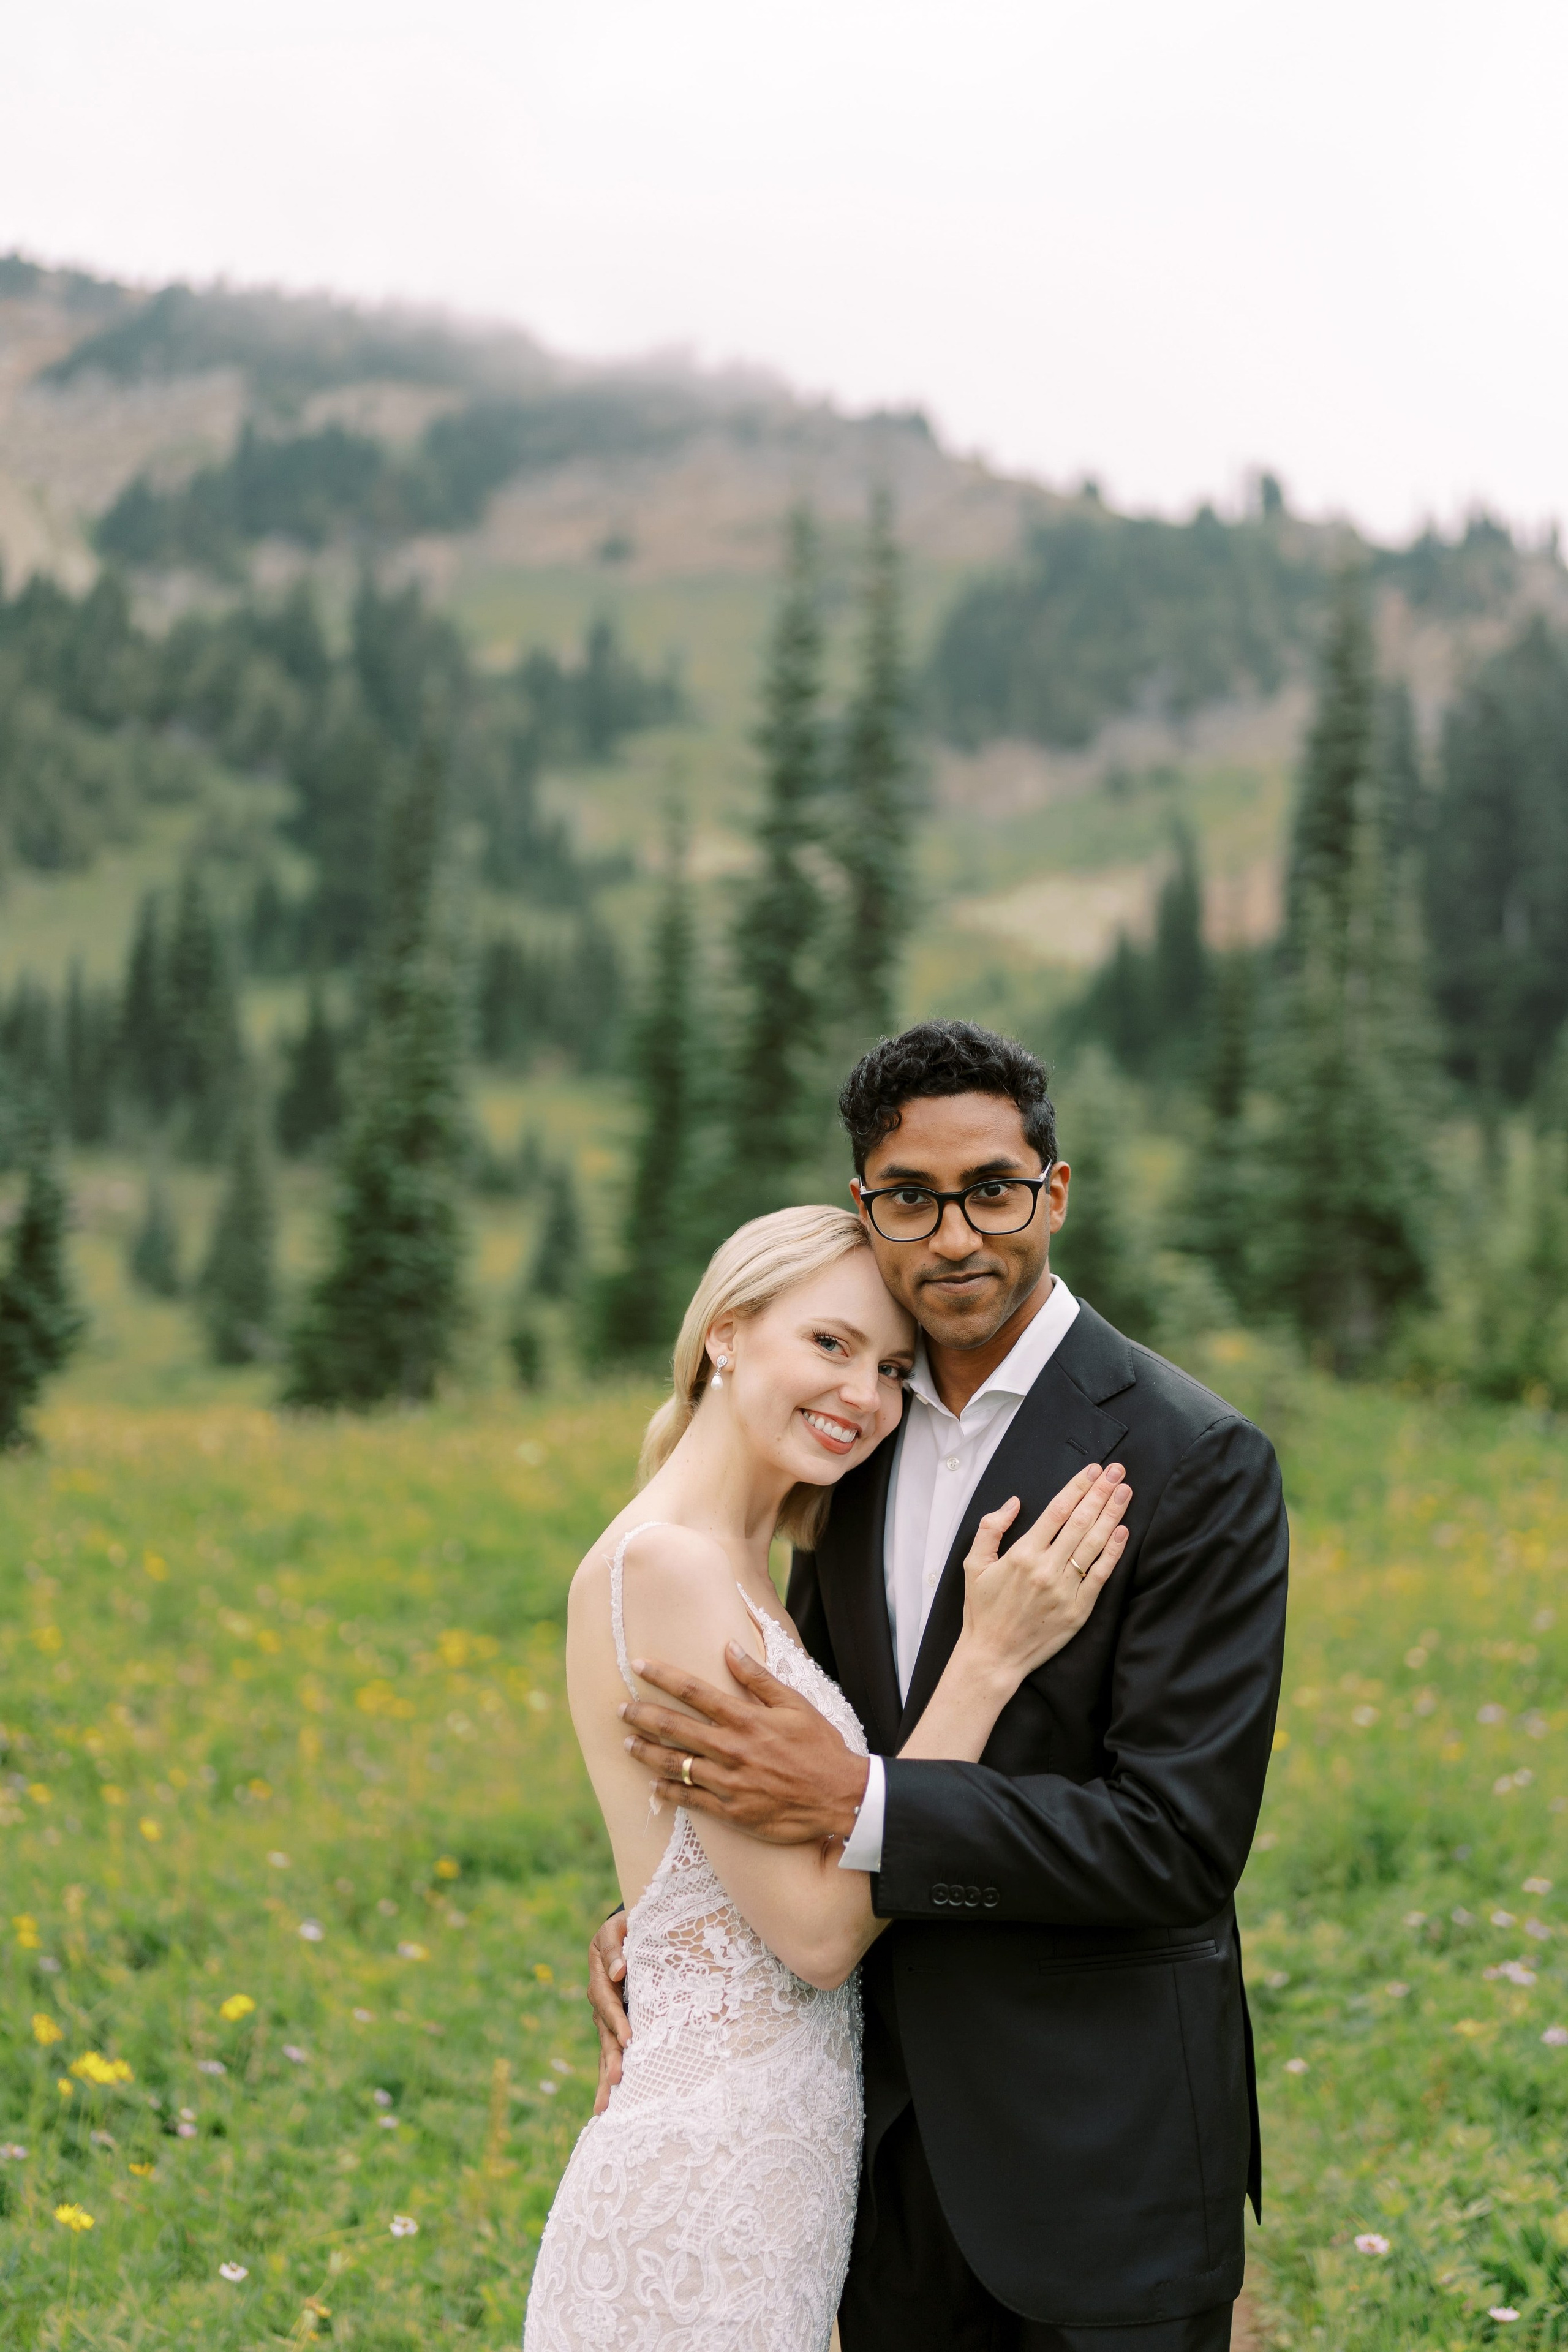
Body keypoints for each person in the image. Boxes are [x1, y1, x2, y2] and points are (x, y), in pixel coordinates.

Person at [595, 1020, 1290, 2352]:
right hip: (878, 2156)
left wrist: (864, 1805)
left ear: (1054, 1192)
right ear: (867, 1203)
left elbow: (1176, 1844)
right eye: (910, 1198)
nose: (956, 1237)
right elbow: (782, 1737)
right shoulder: (845, 1440)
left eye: (992, 1190)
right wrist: (687, 1917)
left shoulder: (1192, 1458)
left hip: (1100, 2167)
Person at [525, 1200, 1131, 2351]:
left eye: (893, 1368)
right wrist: (989, 1659)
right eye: (830, 1345)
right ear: (726, 1335)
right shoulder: (668, 1567)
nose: (863, 1395)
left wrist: (646, 1923)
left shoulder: (755, 1568)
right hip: (712, 2173)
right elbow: (813, 1934)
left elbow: (712, 1856)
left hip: (778, 2166)